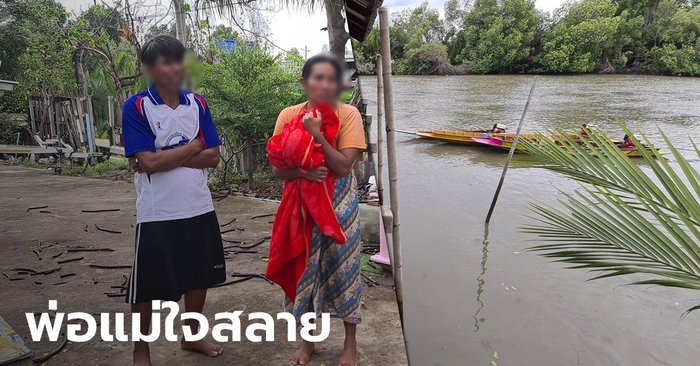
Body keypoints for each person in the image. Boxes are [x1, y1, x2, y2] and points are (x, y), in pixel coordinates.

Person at [121, 35, 225, 366]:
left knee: (199, 276)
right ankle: (141, 350)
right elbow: (148, 164)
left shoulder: (198, 103)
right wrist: (193, 147)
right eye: (166, 61)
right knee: (148, 287)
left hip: (198, 205)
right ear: (149, 69)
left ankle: (192, 337)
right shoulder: (137, 106)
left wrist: (164, 154)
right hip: (157, 213)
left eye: (179, 60)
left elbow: (214, 157)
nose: (175, 67)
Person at [271, 54, 367, 366]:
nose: (325, 85)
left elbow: (343, 165)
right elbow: (277, 170)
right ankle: (308, 342)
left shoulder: (348, 114)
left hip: (339, 203)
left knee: (345, 269)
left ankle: (349, 345)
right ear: (304, 82)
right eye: (318, 78)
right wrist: (303, 173)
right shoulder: (288, 115)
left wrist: (316, 134)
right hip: (301, 206)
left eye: (331, 79)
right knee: (306, 272)